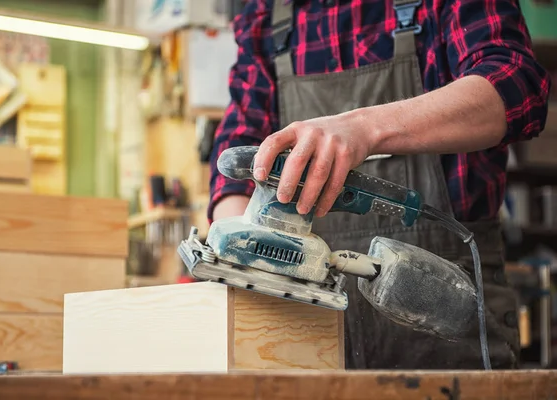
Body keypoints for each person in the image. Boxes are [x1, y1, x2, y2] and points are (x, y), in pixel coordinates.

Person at [208, 0, 551, 369]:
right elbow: (239, 149)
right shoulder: (265, 14)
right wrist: (241, 254)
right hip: (301, 327)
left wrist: (364, 129)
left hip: (444, 311)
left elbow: (515, 87)